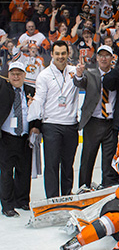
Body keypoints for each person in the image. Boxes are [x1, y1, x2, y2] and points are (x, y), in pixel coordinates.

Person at [28, 40, 83, 198]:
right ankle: (52, 198)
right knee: (51, 165)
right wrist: (36, 125)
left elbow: (83, 82)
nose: (60, 57)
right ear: (52, 54)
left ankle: (66, 195)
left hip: (71, 125)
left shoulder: (74, 71)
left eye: (63, 53)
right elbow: (39, 100)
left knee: (68, 164)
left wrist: (80, 74)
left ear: (68, 54)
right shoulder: (44, 75)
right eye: (57, 53)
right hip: (51, 125)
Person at [74, 45, 118, 188]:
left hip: (111, 122)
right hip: (93, 122)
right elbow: (79, 83)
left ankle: (107, 186)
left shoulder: (117, 75)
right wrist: (79, 74)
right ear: (97, 58)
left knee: (108, 159)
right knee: (88, 157)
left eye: (107, 55)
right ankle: (83, 186)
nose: (104, 58)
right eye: (101, 55)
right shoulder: (90, 74)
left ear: (112, 58)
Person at [0, 62, 38, 217]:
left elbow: (37, 112)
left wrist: (35, 127)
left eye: (19, 73)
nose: (16, 76)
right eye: (13, 74)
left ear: (24, 75)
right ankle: (7, 204)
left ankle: (22, 200)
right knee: (6, 172)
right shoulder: (3, 89)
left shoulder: (31, 91)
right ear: (8, 76)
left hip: (24, 138)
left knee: (24, 171)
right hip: (7, 138)